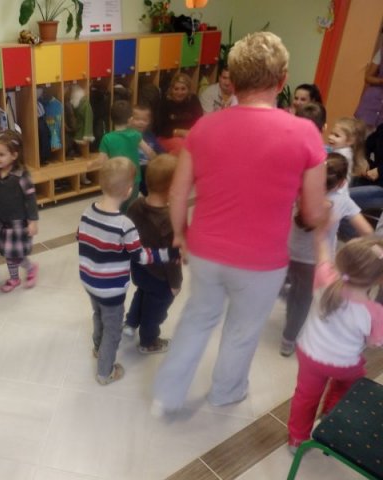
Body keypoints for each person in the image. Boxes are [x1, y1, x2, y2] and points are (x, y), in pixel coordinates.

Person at [152, 32, 327, 415]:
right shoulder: (305, 133)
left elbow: (178, 193)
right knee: (243, 330)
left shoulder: (204, 127)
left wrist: (180, 234)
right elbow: (313, 213)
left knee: (197, 318)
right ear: (282, 80)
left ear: (233, 79)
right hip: (263, 260)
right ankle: (225, 393)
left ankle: (166, 394)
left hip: (206, 250)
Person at [78, 157, 177, 385]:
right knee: (113, 330)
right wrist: (167, 254)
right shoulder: (124, 225)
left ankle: (97, 347)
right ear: (128, 190)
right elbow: (140, 256)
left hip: (89, 281)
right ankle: (105, 372)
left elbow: (80, 237)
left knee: (98, 315)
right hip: (111, 290)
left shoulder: (87, 211)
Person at [287, 236, 383, 452]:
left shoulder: (324, 278)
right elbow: (374, 343)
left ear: (340, 260)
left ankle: (296, 439)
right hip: (344, 364)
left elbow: (322, 251)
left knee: (305, 397)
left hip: (310, 355)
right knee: (348, 387)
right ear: (379, 279)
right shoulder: (374, 312)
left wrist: (322, 233)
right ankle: (331, 417)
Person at [282, 153, 373, 357]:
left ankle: (287, 295)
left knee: (291, 290)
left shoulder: (300, 190)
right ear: (341, 183)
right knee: (302, 301)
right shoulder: (342, 201)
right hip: (314, 262)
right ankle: (288, 341)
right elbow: (367, 231)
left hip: (287, 253)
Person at [123, 154, 182, 354]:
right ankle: (148, 342)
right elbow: (172, 258)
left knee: (142, 293)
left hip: (139, 269)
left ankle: (131, 323)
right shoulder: (169, 220)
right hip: (160, 277)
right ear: (172, 189)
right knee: (155, 310)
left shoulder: (135, 205)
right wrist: (175, 283)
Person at [0, 130, 39, 292]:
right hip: (2, 221)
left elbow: (31, 199)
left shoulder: (21, 176)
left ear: (14, 155)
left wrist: (33, 221)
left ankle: (30, 268)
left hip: (18, 223)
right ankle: (14, 278)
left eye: (1, 154)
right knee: (8, 254)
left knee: (15, 255)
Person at [95, 100, 155, 213]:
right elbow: (149, 152)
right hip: (134, 178)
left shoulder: (107, 138)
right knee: (130, 207)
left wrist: (89, 164)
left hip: (115, 179)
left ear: (112, 119)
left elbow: (101, 161)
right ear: (130, 120)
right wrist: (157, 161)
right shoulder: (135, 135)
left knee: (116, 206)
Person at [155, 73, 203, 154]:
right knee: (182, 146)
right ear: (171, 89)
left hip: (190, 136)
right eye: (176, 89)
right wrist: (180, 132)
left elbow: (200, 122)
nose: (179, 92)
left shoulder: (193, 100)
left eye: (183, 89)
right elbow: (160, 129)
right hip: (167, 137)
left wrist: (191, 133)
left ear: (188, 89)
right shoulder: (164, 102)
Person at [128, 103, 165, 196]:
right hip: (132, 169)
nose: (141, 122)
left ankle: (151, 196)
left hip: (147, 170)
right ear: (130, 119)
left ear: (149, 121)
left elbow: (160, 153)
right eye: (137, 119)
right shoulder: (127, 135)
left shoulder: (150, 136)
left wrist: (155, 160)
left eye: (144, 120)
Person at [327, 117, 368, 185]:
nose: (330, 137)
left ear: (350, 141)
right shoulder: (341, 149)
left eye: (336, 136)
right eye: (331, 133)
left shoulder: (343, 155)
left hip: (337, 186)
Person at [354, 44, 383, 129]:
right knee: (359, 132)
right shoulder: (381, 52)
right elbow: (368, 77)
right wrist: (381, 81)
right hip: (371, 103)